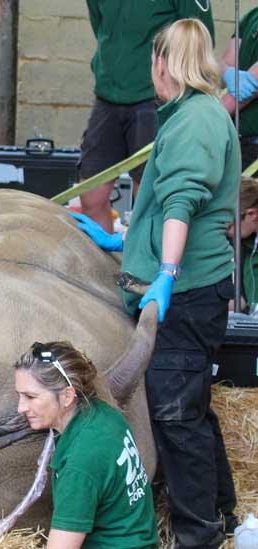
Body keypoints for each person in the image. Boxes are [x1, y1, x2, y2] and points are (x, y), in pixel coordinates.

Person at [72, 19, 238, 547]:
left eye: (152, 63)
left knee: (174, 414)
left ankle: (198, 537)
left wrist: (164, 274)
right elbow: (170, 205)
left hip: (186, 291)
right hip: (190, 284)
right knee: (190, 405)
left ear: (162, 64)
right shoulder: (191, 114)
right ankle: (221, 513)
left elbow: (183, 201)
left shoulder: (195, 121)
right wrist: (127, 242)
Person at [78, 1, 213, 233]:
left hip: (154, 96)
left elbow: (200, 34)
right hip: (107, 95)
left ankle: (144, 264)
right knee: (91, 197)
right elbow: (100, 25)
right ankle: (108, 265)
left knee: (149, 198)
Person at [13, 341, 157, 549]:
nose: (20, 408)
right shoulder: (104, 414)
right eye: (19, 395)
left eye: (30, 397)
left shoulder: (80, 463)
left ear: (67, 396)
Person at [218, 5, 258, 169]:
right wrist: (226, 71)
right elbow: (223, 64)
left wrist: (199, 119)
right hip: (235, 138)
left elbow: (246, 90)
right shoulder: (252, 16)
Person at [227, 177, 258, 312]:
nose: (225, 229)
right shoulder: (246, 243)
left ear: (252, 214)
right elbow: (244, 300)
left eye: (229, 223)